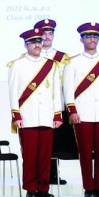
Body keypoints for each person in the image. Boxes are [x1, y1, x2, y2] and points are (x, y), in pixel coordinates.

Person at [63, 22, 99, 197]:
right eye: (88, 36)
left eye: (95, 36)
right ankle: (88, 187)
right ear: (81, 39)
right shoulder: (72, 62)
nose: (92, 39)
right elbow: (68, 89)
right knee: (85, 153)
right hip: (83, 113)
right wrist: (72, 110)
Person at [8, 28, 62, 197]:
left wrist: (58, 115)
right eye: (33, 42)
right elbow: (13, 92)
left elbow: (56, 92)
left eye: (39, 41)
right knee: (29, 156)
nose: (38, 44)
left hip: (46, 116)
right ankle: (31, 188)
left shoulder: (51, 65)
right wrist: (16, 115)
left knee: (45, 156)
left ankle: (43, 188)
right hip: (27, 117)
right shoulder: (17, 65)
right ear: (26, 45)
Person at [36, 18, 72, 185]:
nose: (47, 36)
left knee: (55, 142)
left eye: (50, 33)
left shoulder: (62, 58)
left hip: (56, 105)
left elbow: (67, 83)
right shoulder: (31, 57)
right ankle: (38, 175)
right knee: (37, 143)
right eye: (44, 33)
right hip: (37, 105)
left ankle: (52, 173)